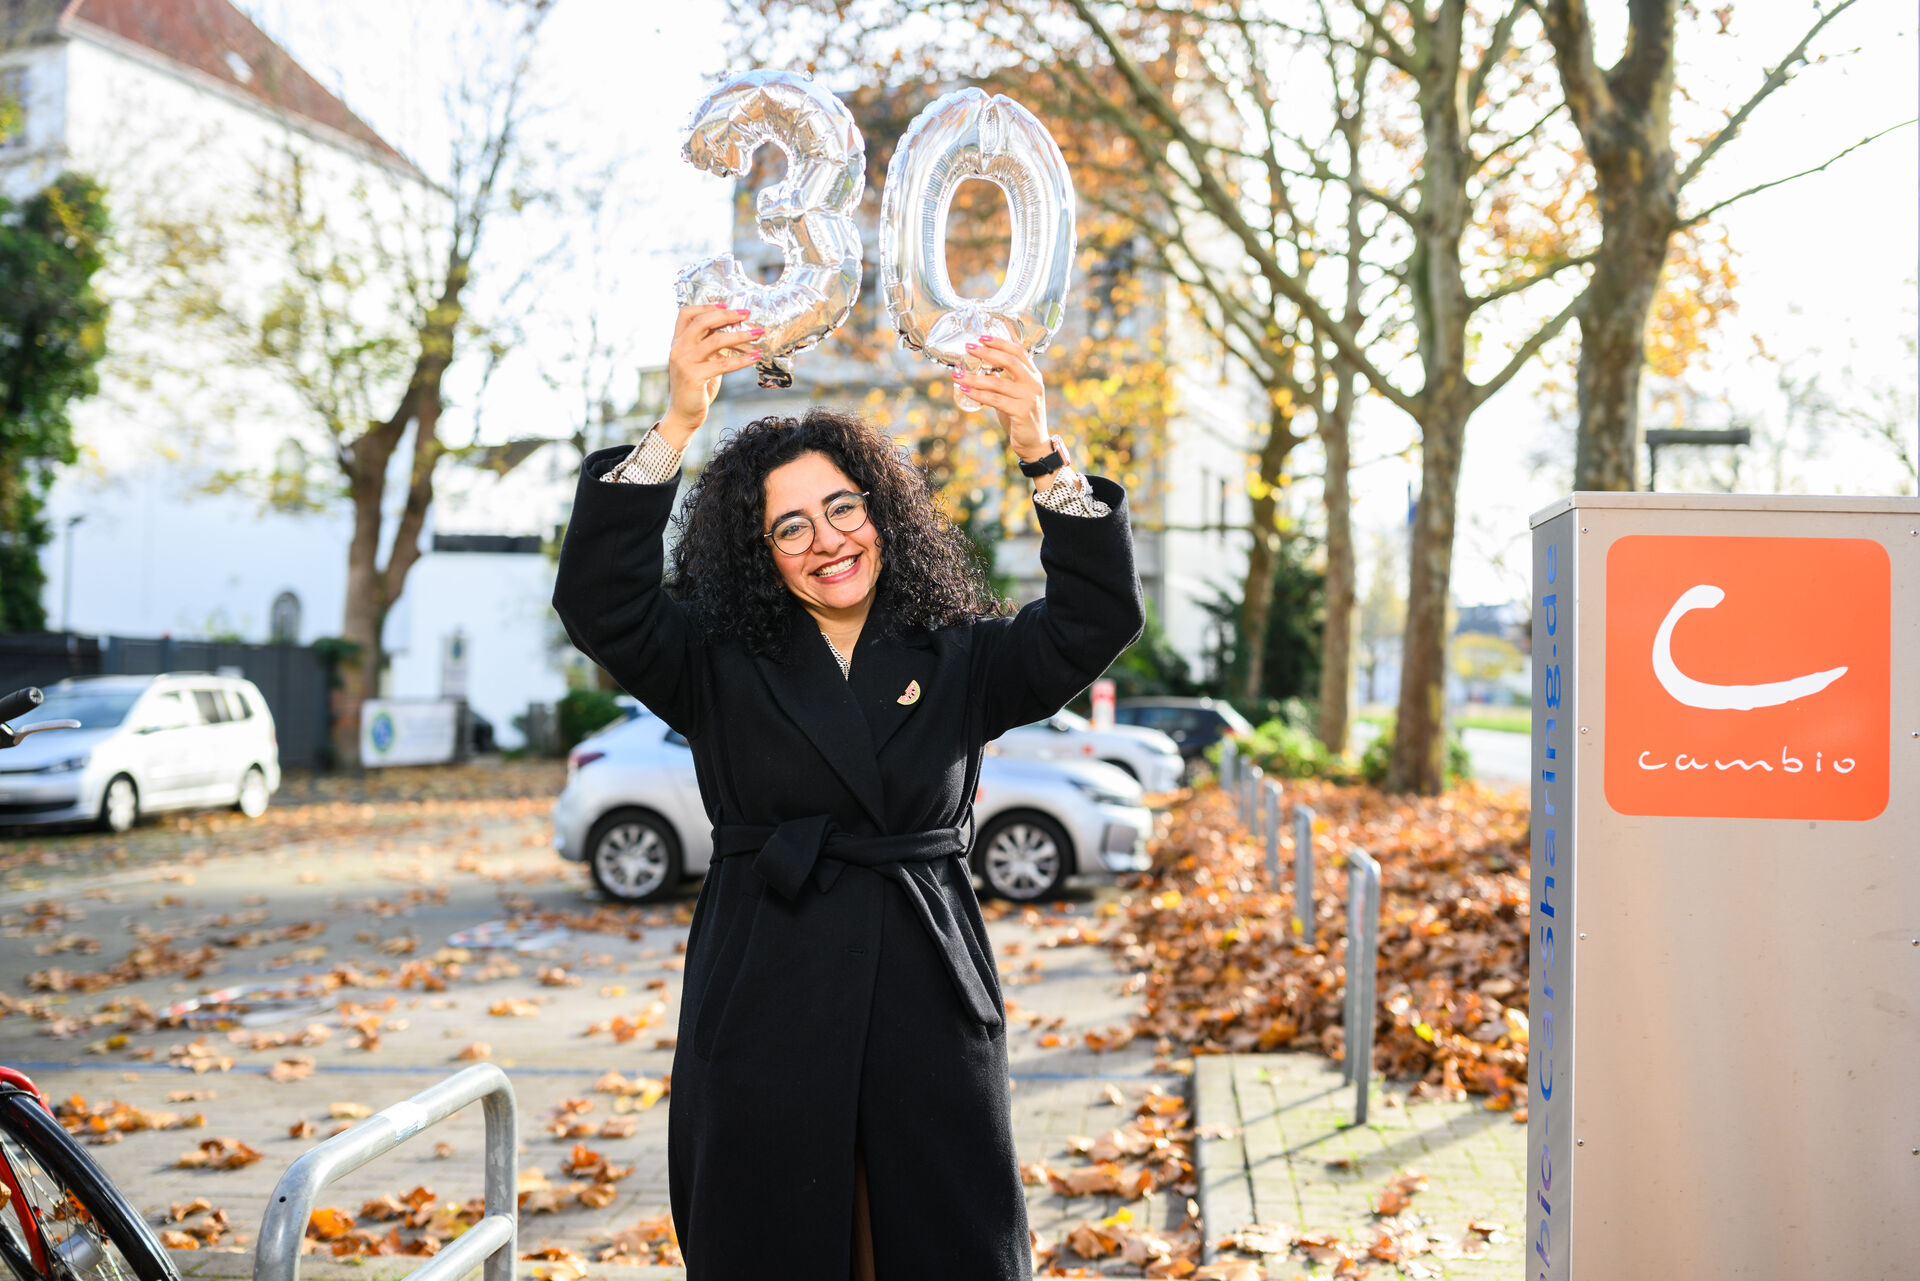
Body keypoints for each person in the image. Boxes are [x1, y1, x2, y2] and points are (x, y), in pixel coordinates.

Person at [551, 304, 1144, 1280]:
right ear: (759, 550)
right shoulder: (712, 658)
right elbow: (600, 600)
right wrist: (677, 423)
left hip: (924, 990)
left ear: (882, 514)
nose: (825, 539)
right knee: (774, 1239)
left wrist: (1040, 451)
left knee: (940, 1239)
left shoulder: (963, 657)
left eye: (842, 508)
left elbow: (1094, 617)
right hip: (764, 991)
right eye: (789, 524)